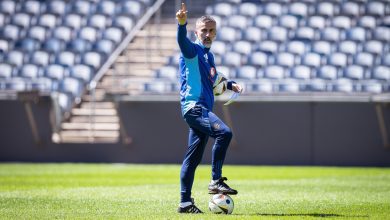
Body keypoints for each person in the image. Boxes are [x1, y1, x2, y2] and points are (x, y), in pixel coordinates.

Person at [176, 2, 242, 214]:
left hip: (199, 109)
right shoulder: (193, 51)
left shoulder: (208, 56)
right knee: (225, 132)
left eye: (211, 30)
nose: (207, 34)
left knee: (192, 158)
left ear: (215, 34)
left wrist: (231, 84)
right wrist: (181, 24)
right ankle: (215, 180)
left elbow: (214, 81)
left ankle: (185, 203)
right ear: (197, 32)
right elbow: (181, 42)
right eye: (204, 30)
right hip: (195, 108)